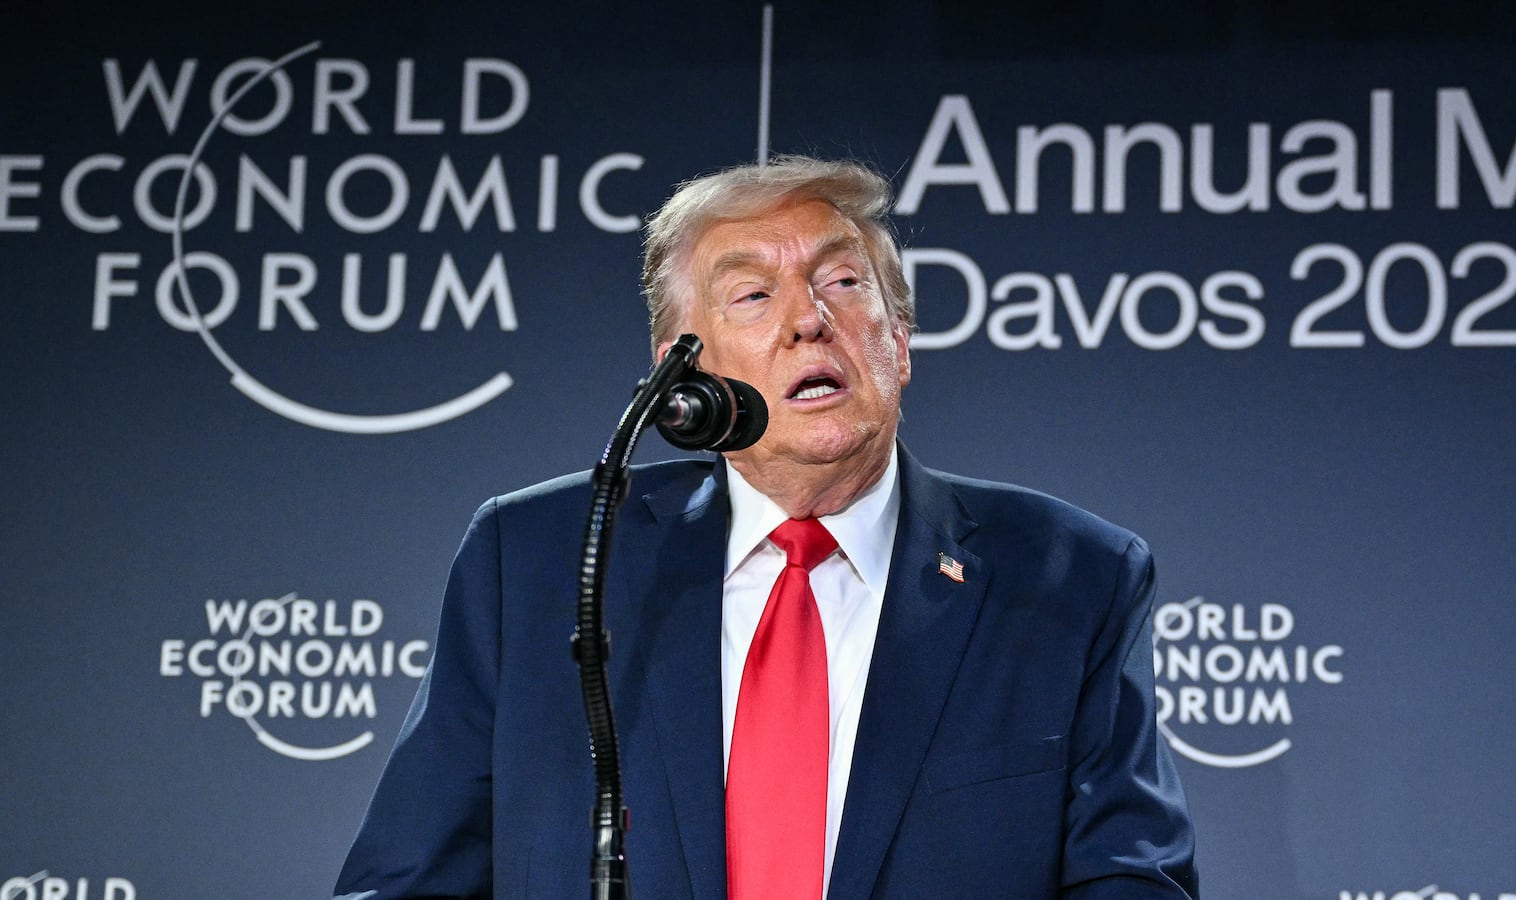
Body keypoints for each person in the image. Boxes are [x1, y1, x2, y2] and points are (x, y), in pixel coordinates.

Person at [335, 156, 1199, 899]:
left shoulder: (1068, 578)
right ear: (685, 375)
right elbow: (412, 878)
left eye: (843, 282)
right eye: (752, 294)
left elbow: (1128, 882)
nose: (806, 319)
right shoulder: (538, 561)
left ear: (899, 339)